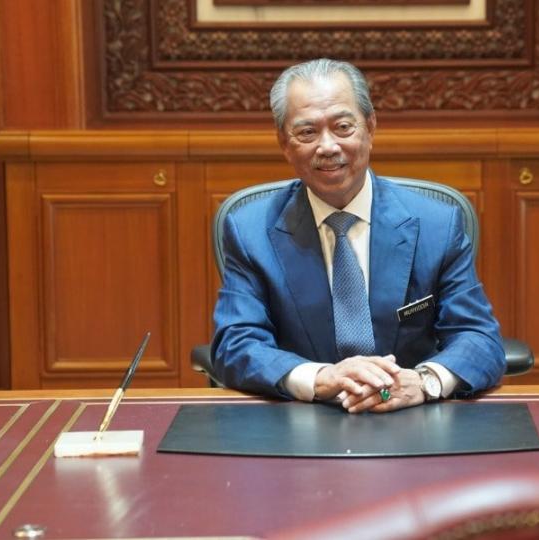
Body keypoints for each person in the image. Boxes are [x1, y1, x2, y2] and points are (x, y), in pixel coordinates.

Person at [211, 58, 505, 413]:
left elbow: (479, 338)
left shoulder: (437, 224)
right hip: (303, 418)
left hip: (410, 415)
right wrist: (320, 378)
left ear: (370, 127)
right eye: (307, 132)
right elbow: (235, 344)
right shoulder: (250, 230)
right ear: (284, 143)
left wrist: (424, 382)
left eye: (343, 127)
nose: (327, 146)